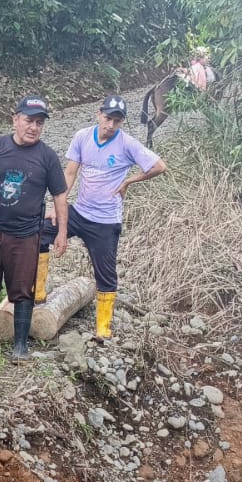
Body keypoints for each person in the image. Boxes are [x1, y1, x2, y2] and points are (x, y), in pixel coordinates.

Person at [64, 95, 169, 338]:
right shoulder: (82, 136)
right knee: (39, 232)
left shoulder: (127, 143)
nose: (111, 125)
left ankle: (103, 326)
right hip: (79, 211)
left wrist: (129, 181)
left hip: (106, 220)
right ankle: (36, 294)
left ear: (121, 122)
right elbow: (69, 174)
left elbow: (159, 166)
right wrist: (58, 207)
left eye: (117, 121)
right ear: (99, 114)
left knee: (106, 272)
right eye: (108, 118)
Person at [0, 96, 69, 359]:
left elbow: (60, 195)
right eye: (29, 121)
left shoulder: (47, 156)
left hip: (27, 234)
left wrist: (62, 232)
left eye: (39, 123)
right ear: (15, 119)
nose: (33, 127)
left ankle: (20, 345)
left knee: (22, 289)